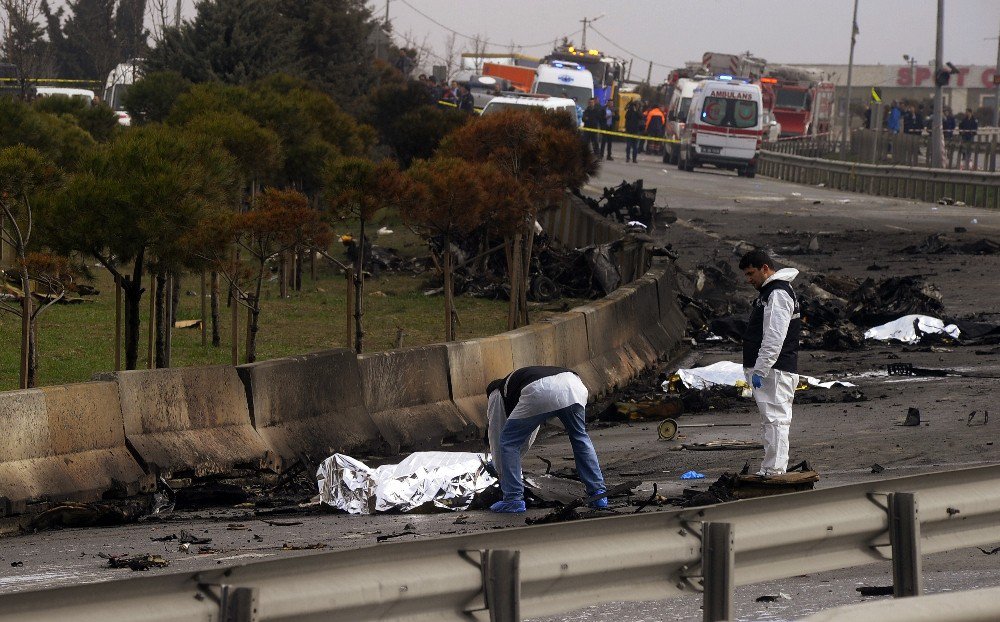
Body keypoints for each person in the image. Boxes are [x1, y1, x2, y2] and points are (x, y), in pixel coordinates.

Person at [486, 365, 607, 513]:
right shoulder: (519, 383)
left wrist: (498, 467)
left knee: (508, 441)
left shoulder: (496, 392)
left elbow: (496, 434)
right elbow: (530, 430)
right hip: (573, 384)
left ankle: (513, 499)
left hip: (539, 390)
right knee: (579, 436)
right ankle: (598, 493)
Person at [739, 249, 800, 477]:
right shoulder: (771, 292)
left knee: (775, 421)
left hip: (775, 369)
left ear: (765, 268)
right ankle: (770, 468)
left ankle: (774, 470)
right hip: (772, 369)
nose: (749, 279)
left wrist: (761, 368)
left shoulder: (778, 293)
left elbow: (774, 336)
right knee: (772, 421)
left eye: (751, 273)